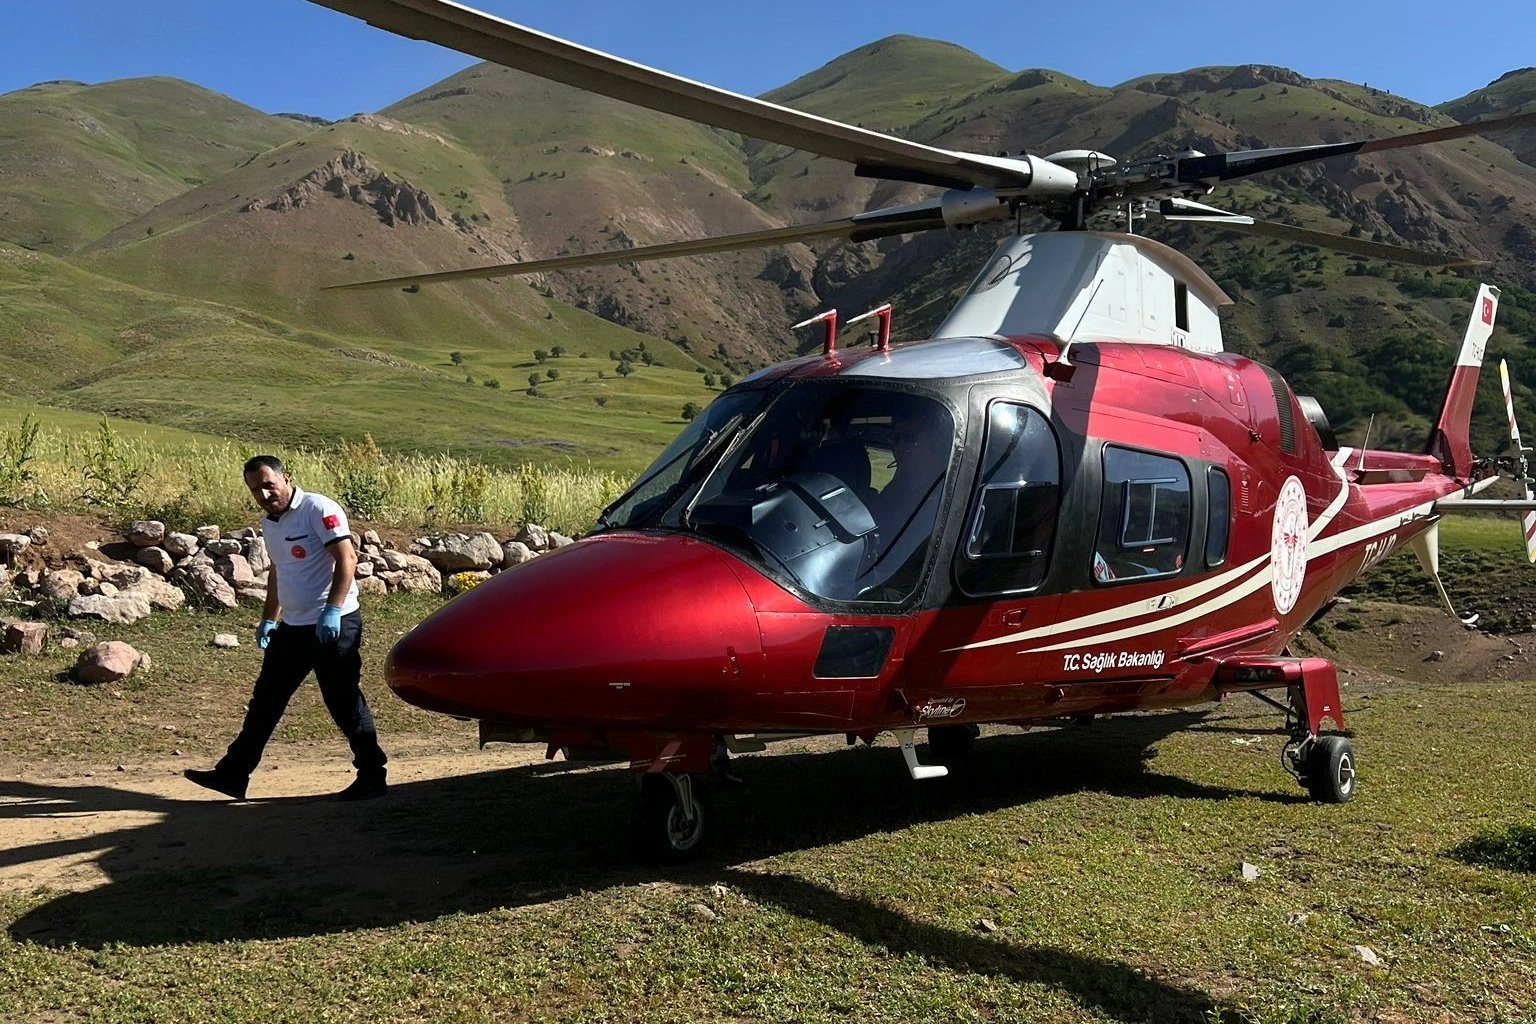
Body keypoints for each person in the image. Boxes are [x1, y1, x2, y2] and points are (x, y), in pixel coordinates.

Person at [184, 455, 389, 802]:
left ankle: (372, 774)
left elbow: (347, 559)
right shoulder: (271, 523)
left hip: (333, 623)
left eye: (268, 485)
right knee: (266, 700)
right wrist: (269, 618)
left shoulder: (318, 509)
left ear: (286, 478)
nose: (263, 494)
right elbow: (279, 571)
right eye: (255, 490)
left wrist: (333, 610)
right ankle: (234, 774)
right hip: (293, 626)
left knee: (343, 701)